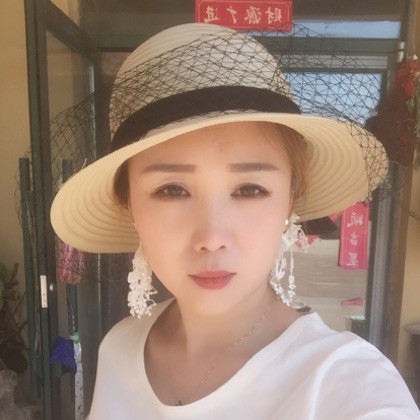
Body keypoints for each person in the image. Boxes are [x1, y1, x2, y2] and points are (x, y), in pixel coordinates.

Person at [50, 23, 420, 419]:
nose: (212, 237)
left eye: (249, 189)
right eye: (172, 190)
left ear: (290, 201)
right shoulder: (119, 347)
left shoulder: (347, 384)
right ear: (130, 206)